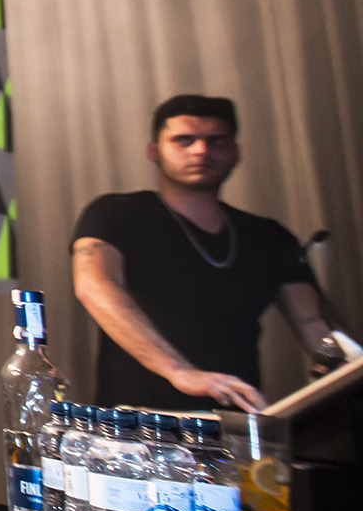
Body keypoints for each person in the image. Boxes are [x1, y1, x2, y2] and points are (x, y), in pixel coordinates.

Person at [70, 94, 344, 412]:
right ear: (154, 151)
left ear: (235, 152)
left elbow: (314, 323)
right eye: (183, 140)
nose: (201, 150)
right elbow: (94, 286)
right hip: (139, 427)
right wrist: (179, 371)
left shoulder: (268, 237)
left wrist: (343, 365)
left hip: (236, 424)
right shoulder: (117, 213)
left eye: (216, 141)